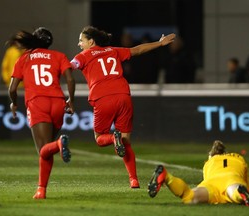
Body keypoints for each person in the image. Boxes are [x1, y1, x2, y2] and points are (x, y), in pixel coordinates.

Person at [70, 26, 176, 188]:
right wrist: (159, 43)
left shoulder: (83, 56)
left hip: (103, 97)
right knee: (126, 142)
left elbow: (69, 66)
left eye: (81, 40)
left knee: (100, 139)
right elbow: (138, 50)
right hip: (123, 95)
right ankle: (133, 179)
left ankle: (114, 138)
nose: (79, 44)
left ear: (91, 41)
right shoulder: (113, 50)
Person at [8, 27, 75, 199]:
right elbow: (70, 79)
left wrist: (14, 103)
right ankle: (41, 190)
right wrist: (71, 101)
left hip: (38, 102)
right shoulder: (59, 56)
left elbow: (13, 88)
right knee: (48, 149)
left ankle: (59, 144)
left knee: (43, 150)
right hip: (58, 102)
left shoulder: (25, 58)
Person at [148, 140, 249, 206]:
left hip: (212, 183)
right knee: (234, 192)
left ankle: (167, 177)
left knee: (190, 196)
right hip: (231, 179)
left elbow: (207, 178)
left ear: (212, 155)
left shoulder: (209, 163)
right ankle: (240, 194)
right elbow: (245, 182)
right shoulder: (239, 159)